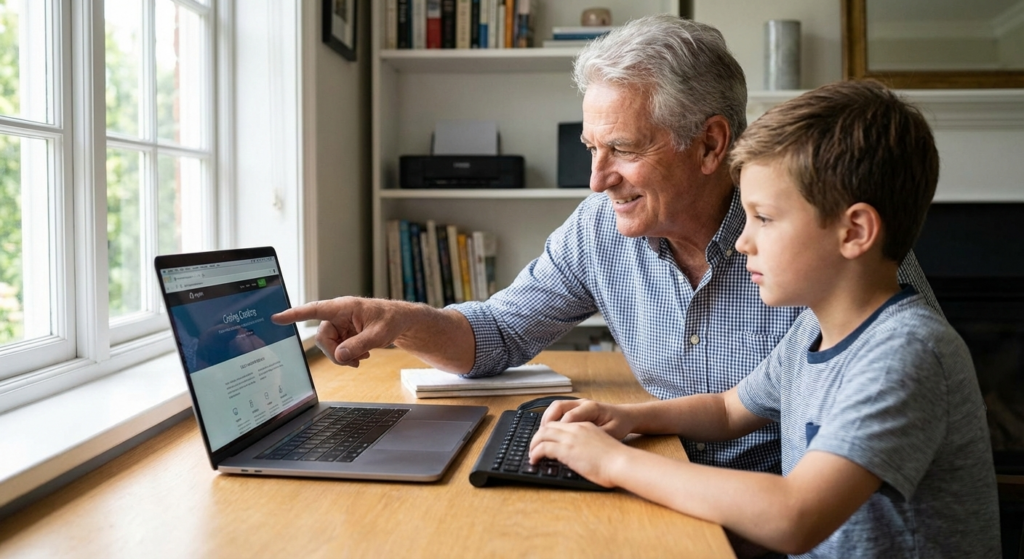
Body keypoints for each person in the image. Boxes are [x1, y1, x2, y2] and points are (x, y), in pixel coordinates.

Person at [271, 15, 937, 475]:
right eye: (594, 147)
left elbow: (894, 408)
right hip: (665, 476)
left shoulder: (823, 239)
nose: (596, 179)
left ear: (710, 144)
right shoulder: (599, 225)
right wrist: (401, 322)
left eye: (621, 148)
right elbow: (499, 332)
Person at [527, 80, 1000, 557]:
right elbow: (729, 410)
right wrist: (627, 417)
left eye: (765, 219)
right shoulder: (814, 329)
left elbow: (795, 516)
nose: (742, 242)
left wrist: (612, 463)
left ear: (854, 231)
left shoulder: (904, 353)